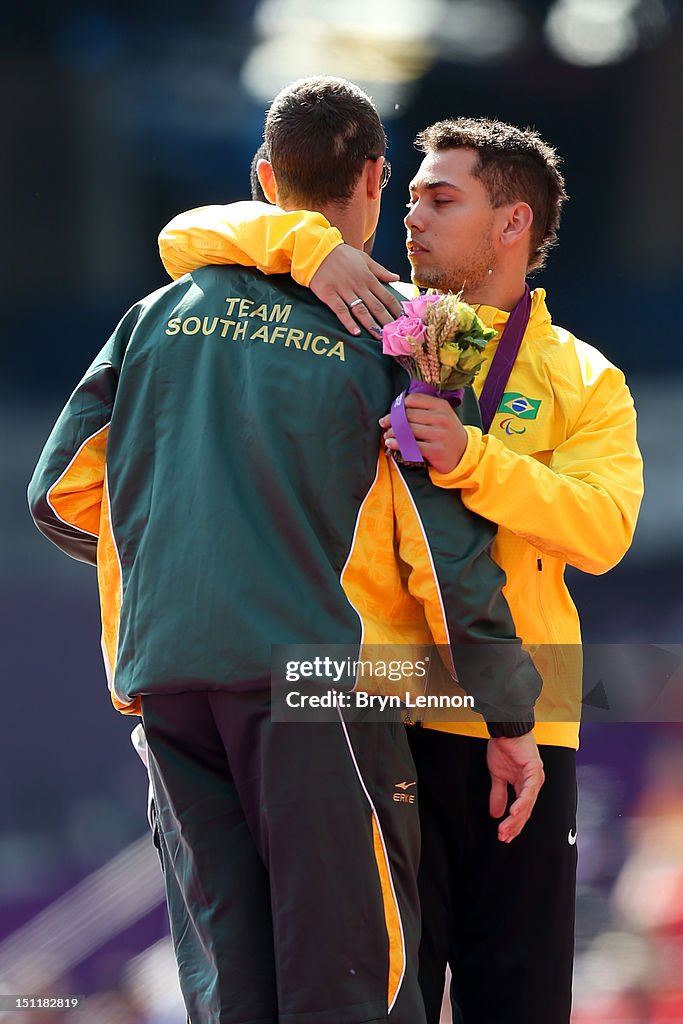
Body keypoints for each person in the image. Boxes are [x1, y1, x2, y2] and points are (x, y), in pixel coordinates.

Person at [28, 82, 544, 1024]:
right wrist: (510, 712)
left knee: (232, 992)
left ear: (264, 178)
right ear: (378, 180)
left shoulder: (152, 317)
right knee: (348, 984)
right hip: (314, 678)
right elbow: (445, 546)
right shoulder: (398, 329)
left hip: (171, 678)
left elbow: (54, 494)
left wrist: (187, 554)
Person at [154, 116, 644, 1024]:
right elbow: (189, 238)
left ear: (513, 223)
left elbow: (603, 531)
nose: (409, 216)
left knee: (518, 998)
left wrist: (471, 460)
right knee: (379, 996)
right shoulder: (365, 319)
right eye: (409, 194)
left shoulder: (583, 377)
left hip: (524, 726)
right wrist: (308, 246)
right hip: (374, 709)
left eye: (440, 198)